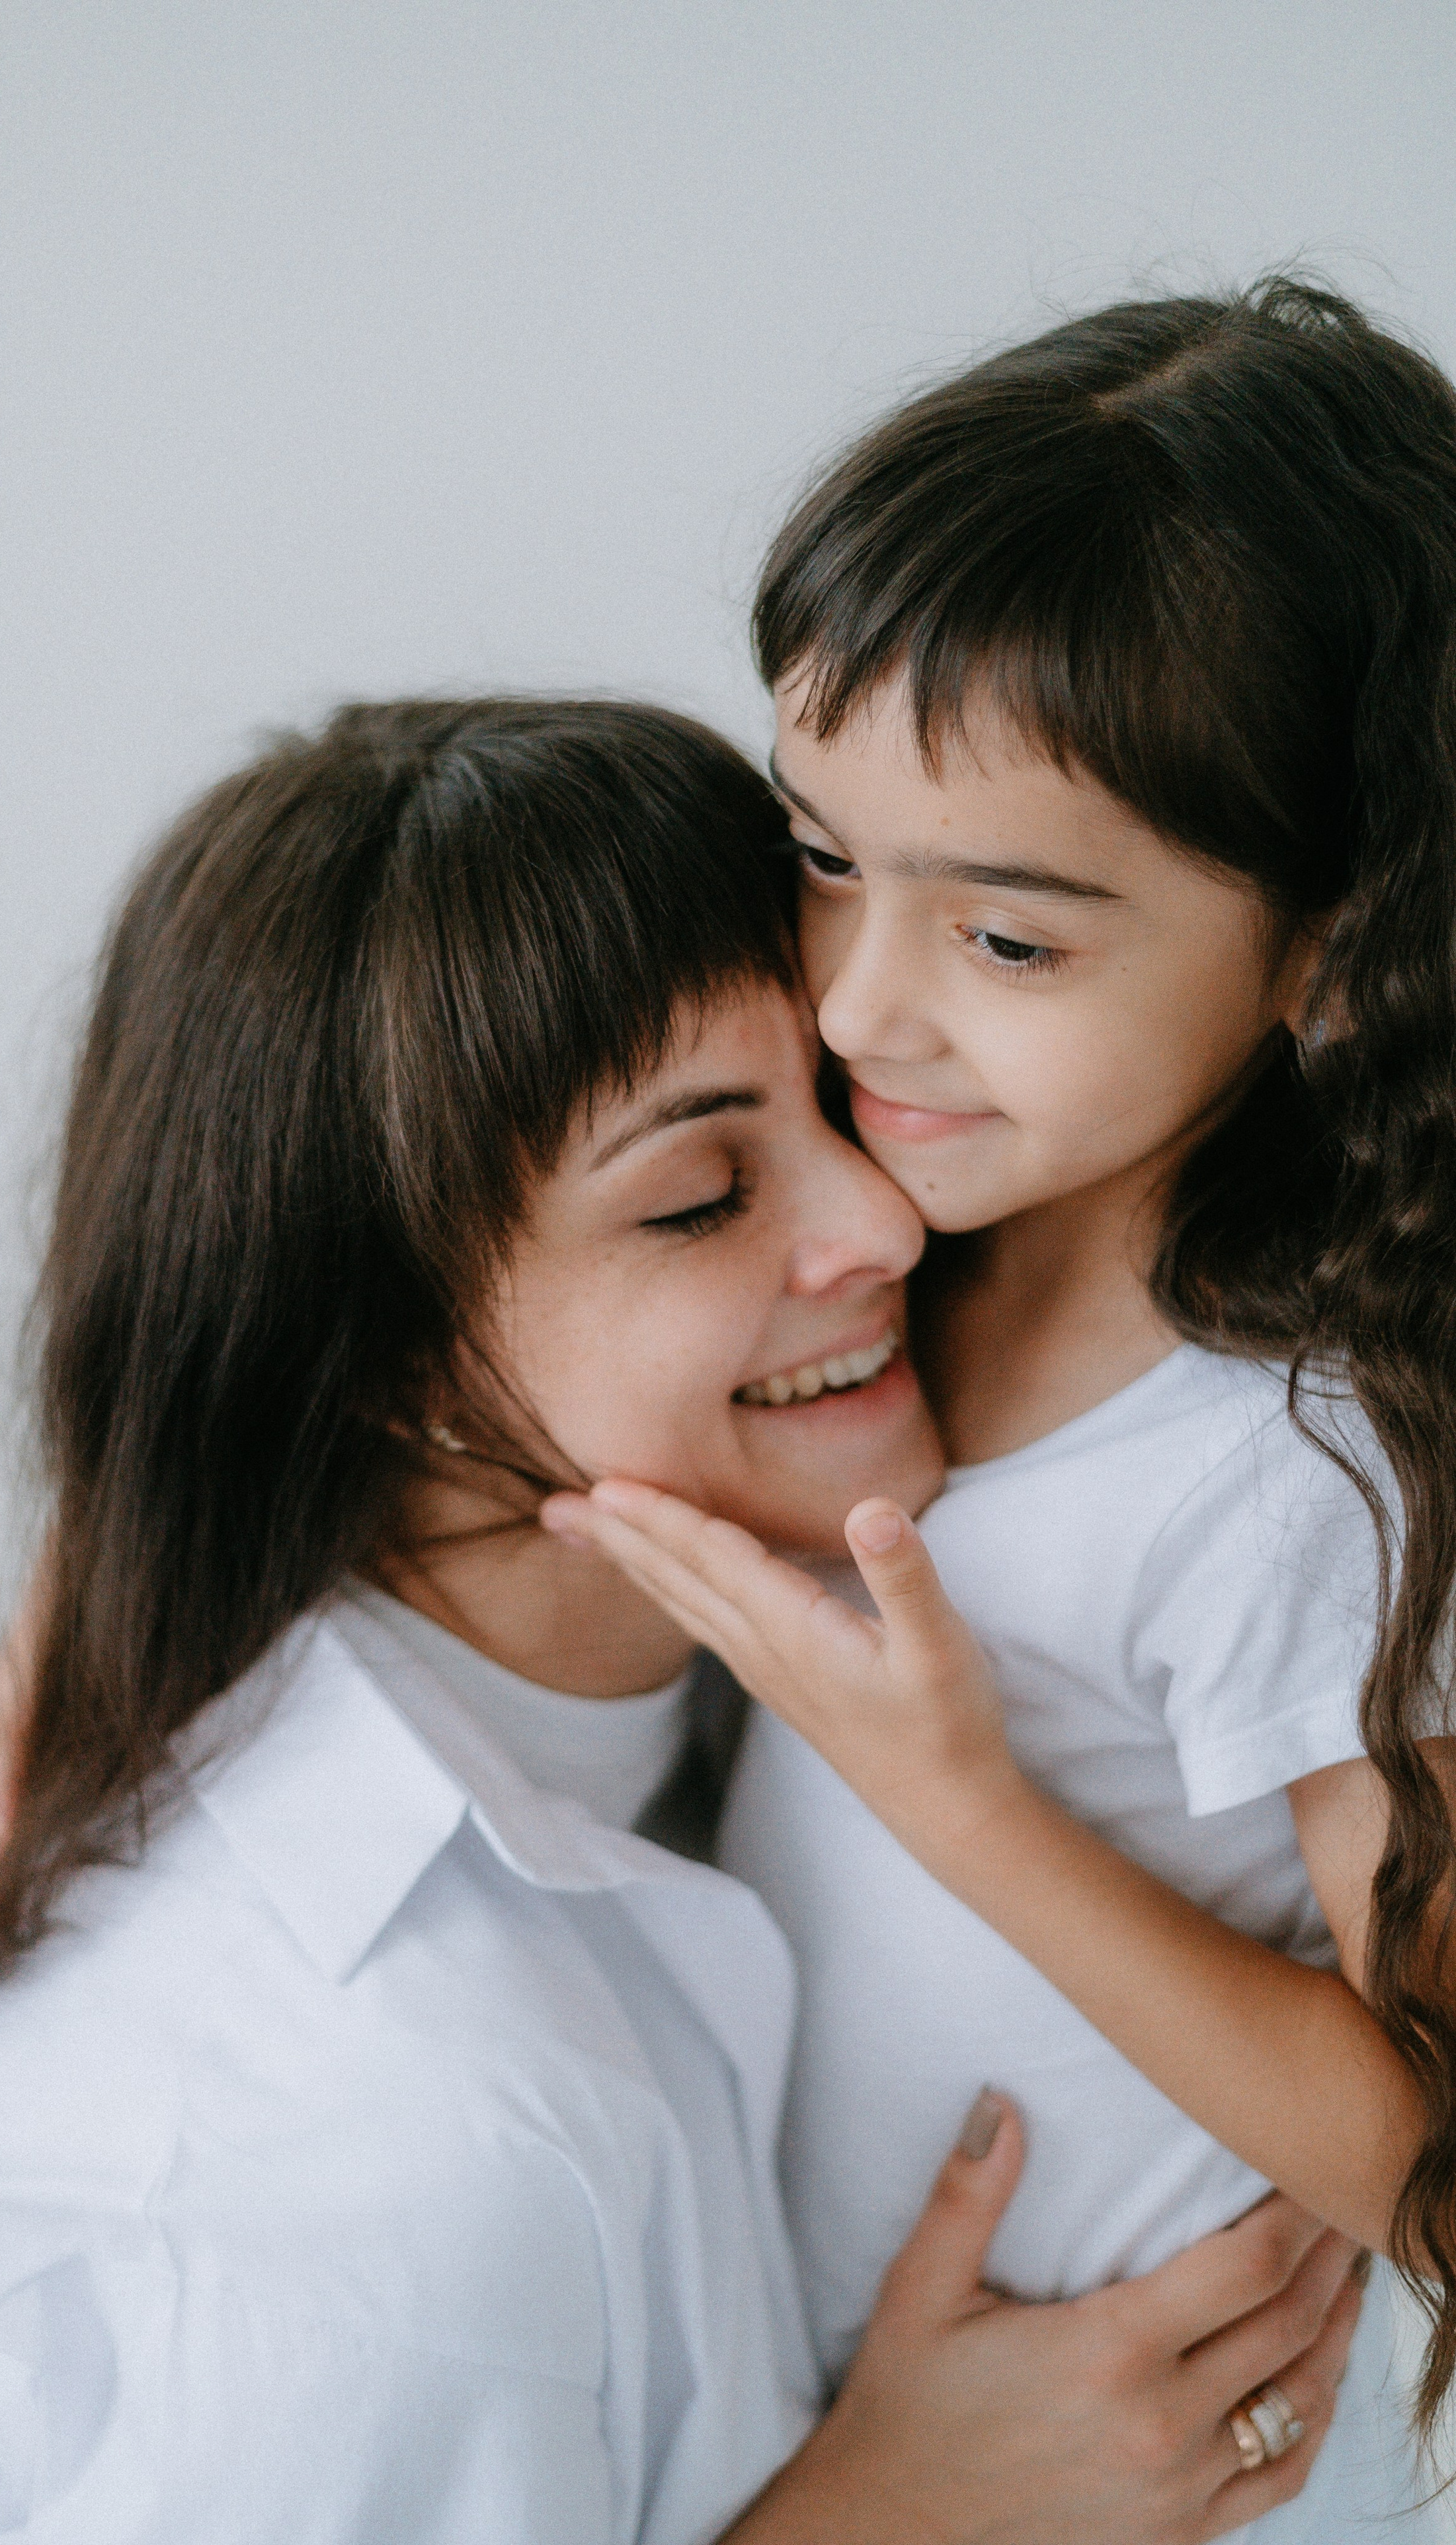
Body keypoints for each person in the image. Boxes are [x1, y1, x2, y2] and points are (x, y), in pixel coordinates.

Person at [0, 700, 1355, 2544]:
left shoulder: (707, 1664)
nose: (887, 1223)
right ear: (374, 1358)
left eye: (840, 1099)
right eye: (699, 1196)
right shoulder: (346, 2149)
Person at [545, 280, 1456, 2536]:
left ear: (1335, 947)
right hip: (827, 2447)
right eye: (826, 853)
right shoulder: (875, 1219)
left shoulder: (1298, 1463)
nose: (862, 999)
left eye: (1013, 942)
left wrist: (961, 1803)